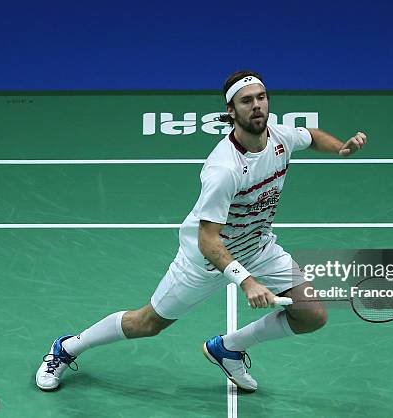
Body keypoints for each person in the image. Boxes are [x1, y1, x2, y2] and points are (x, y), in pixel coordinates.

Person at [35, 70, 367, 392]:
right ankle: (67, 347)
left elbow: (310, 136)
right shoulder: (224, 168)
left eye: (262, 98)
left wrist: (340, 148)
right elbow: (208, 239)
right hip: (205, 261)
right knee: (148, 323)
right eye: (247, 100)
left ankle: (228, 348)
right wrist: (246, 281)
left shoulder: (280, 136)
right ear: (231, 111)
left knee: (311, 314)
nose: (257, 106)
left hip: (258, 247)